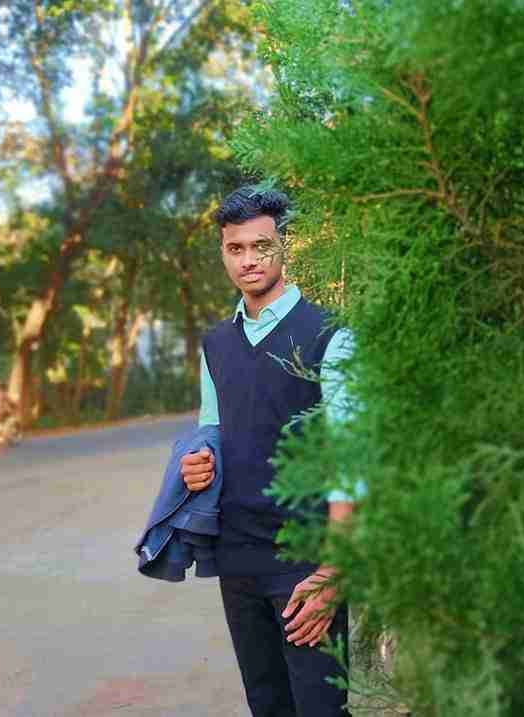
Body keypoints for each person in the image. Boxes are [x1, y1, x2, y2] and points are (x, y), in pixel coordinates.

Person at [181, 185, 357, 717]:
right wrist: (197, 466)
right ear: (223, 253)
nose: (249, 260)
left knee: (321, 709)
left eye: (261, 246)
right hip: (238, 558)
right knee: (268, 706)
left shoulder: (331, 335)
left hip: (306, 561)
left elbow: (352, 462)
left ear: (285, 246)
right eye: (235, 248)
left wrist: (334, 569)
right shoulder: (216, 344)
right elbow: (212, 434)